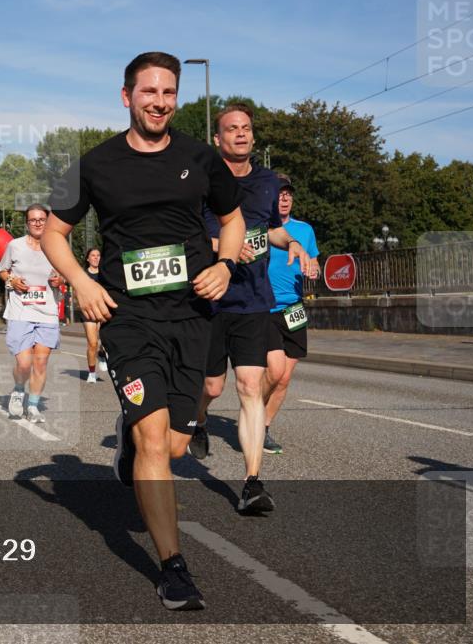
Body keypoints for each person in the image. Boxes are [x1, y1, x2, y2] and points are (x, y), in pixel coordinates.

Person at [41, 52, 246, 611]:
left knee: (176, 443)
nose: (160, 102)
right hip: (127, 318)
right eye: (149, 91)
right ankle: (173, 568)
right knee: (154, 438)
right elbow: (55, 233)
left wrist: (225, 265)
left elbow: (232, 221)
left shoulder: (202, 157)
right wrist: (82, 284)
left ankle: (131, 451)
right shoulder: (94, 164)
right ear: (126, 95)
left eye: (169, 93)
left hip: (191, 316)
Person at [191, 104, 311, 515]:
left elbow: (271, 227)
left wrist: (290, 242)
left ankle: (252, 483)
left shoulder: (266, 182)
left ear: (253, 137)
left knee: (248, 387)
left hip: (254, 302)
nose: (240, 135)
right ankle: (200, 420)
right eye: (232, 129)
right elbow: (190, 233)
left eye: (246, 129)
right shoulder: (206, 181)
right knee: (211, 387)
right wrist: (223, 248)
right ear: (218, 139)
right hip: (212, 298)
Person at [263, 176, 320, 453]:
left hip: (293, 308)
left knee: (285, 378)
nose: (284, 198)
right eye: (280, 194)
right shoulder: (262, 228)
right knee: (273, 373)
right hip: (264, 307)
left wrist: (314, 270)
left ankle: (262, 427)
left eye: (288, 194)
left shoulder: (305, 230)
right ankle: (252, 413)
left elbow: (314, 262)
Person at [0, 204, 64, 423]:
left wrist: (59, 280)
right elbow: (2, 271)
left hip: (47, 312)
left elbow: (65, 273)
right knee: (25, 363)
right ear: (27, 223)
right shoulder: (14, 246)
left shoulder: (57, 246)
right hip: (20, 311)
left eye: (42, 219)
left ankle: (33, 406)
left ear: (47, 221)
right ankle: (18, 390)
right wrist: (12, 280)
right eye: (33, 220)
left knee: (41, 362)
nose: (37, 223)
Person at [81, 247, 108, 383]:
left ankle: (102, 353)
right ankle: (91, 373)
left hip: (104, 310)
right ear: (88, 258)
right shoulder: (83, 275)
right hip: (89, 311)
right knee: (92, 343)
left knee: (105, 340)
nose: (96, 258)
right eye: (93, 255)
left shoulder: (106, 274)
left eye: (98, 255)